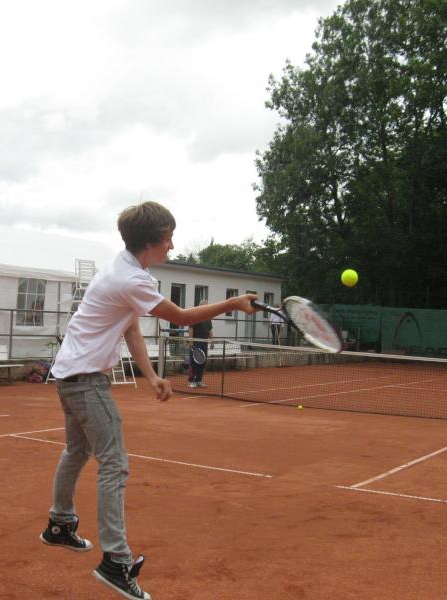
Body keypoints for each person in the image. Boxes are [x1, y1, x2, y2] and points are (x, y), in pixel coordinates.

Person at [41, 201, 257, 600]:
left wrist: (152, 374)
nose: (172, 246)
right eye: (169, 239)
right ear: (152, 241)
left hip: (68, 376)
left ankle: (60, 524)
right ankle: (115, 561)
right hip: (87, 382)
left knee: (77, 451)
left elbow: (130, 328)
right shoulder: (132, 280)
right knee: (114, 464)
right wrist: (231, 303)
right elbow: (182, 318)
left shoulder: (121, 268)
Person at [187, 299, 213, 388]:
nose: (206, 307)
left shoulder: (208, 318)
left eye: (207, 305)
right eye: (205, 305)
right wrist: (191, 342)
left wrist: (212, 341)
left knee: (202, 362)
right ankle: (192, 381)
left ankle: (199, 380)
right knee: (194, 362)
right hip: (196, 343)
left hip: (204, 343)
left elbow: (210, 330)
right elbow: (191, 329)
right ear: (200, 306)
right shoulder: (194, 316)